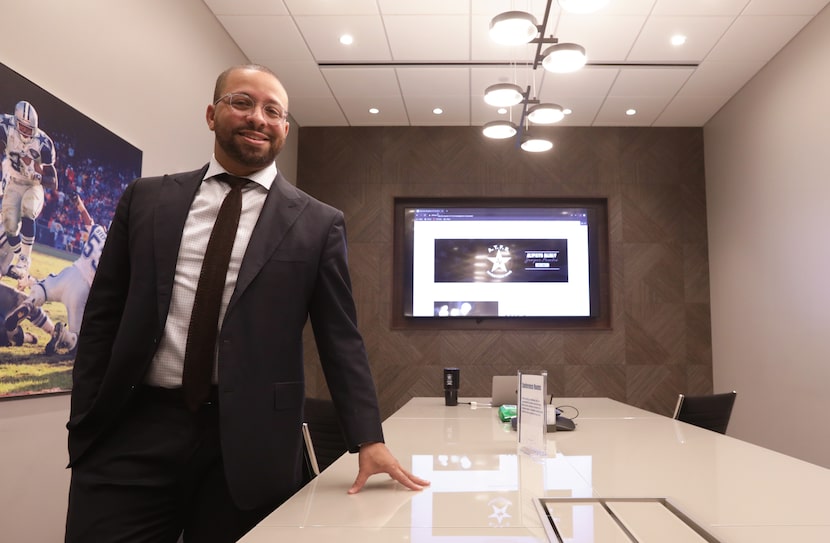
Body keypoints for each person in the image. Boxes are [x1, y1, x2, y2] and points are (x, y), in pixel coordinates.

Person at [64, 64, 429, 543]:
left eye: (272, 110)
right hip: (134, 429)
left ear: (284, 128)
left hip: (250, 444)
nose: (258, 117)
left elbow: (340, 339)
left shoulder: (318, 223)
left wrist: (369, 438)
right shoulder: (147, 199)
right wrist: (85, 418)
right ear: (212, 114)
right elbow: (102, 316)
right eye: (242, 102)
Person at [4, 192, 104, 355]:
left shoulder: (99, 232)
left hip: (71, 273)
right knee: (76, 340)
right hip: (83, 290)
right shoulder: (117, 254)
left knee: (44, 288)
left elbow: (88, 221)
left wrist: (80, 205)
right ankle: (65, 336)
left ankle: (29, 304)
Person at [0, 100, 59, 279]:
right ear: (16, 123)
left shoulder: (43, 144)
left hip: (34, 186)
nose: (26, 132)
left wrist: (36, 175)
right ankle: (13, 264)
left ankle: (25, 261)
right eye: (22, 127)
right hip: (13, 183)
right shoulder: (5, 126)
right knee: (9, 227)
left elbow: (53, 182)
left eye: (29, 128)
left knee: (27, 209)